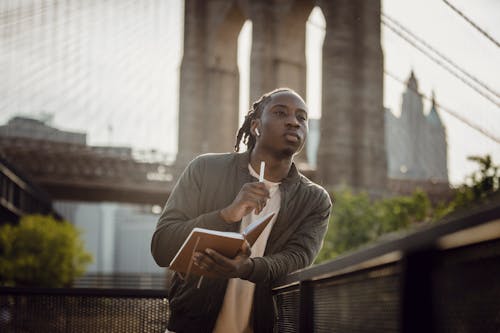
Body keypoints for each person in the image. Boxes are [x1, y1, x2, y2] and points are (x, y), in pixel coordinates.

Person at [151, 87, 332, 333]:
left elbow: (298, 257)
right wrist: (227, 214)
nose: (293, 121)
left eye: (301, 117)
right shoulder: (204, 169)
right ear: (256, 127)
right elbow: (162, 247)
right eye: (280, 113)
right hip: (190, 326)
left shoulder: (314, 199)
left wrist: (246, 268)